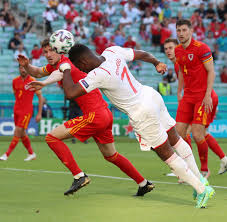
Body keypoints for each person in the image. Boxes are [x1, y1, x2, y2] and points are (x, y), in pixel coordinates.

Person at [29, 45, 215, 208]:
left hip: (142, 111)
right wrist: (156, 62)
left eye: (80, 66)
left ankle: (200, 189)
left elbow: (70, 93)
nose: (81, 69)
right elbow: (140, 54)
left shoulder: (97, 75)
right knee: (175, 139)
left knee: (166, 153)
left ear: (83, 62)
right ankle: (201, 181)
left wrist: (67, 69)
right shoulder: (112, 51)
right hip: (150, 95)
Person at [17, 39, 154, 197]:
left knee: (51, 138)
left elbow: (59, 73)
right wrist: (27, 66)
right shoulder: (59, 63)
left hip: (94, 115)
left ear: (59, 49)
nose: (48, 54)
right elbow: (38, 72)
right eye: (45, 52)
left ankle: (79, 176)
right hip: (104, 114)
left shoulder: (66, 61)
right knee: (111, 156)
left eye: (51, 50)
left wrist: (45, 83)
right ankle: (143, 183)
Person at [164, 38, 227, 176]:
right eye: (166, 49)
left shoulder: (181, 62)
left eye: (171, 48)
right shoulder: (179, 64)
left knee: (194, 133)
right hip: (202, 97)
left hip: (205, 97)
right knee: (199, 133)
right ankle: (223, 159)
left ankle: (195, 168)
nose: (169, 51)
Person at [0, 65, 43, 161]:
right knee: (22, 133)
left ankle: (6, 155)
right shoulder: (14, 81)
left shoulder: (33, 81)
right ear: (19, 69)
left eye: (24, 68)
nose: (23, 70)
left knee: (17, 131)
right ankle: (31, 153)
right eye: (21, 68)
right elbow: (17, 95)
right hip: (16, 110)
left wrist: (39, 113)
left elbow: (40, 97)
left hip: (27, 111)